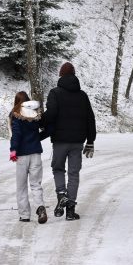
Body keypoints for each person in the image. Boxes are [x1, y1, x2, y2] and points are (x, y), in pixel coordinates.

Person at [42, 62, 96, 221]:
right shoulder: (83, 95)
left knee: (58, 168)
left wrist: (39, 123)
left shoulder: (55, 93)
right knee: (74, 173)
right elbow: (90, 119)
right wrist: (90, 141)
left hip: (60, 141)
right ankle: (70, 211)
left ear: (60, 75)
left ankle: (61, 195)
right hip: (78, 142)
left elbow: (51, 114)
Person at [9, 91, 49, 224]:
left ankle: (25, 215)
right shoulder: (36, 115)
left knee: (21, 186)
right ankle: (40, 207)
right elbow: (47, 129)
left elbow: (17, 134)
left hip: (21, 156)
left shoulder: (16, 115)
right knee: (36, 184)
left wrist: (13, 150)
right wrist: (37, 139)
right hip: (36, 153)